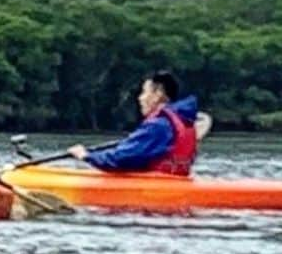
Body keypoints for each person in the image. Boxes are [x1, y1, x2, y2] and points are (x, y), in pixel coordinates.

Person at [67, 70, 204, 175]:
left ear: (157, 94)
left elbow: (122, 159)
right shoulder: (183, 122)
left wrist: (86, 156)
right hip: (172, 184)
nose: (140, 98)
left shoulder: (158, 126)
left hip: (154, 189)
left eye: (144, 92)